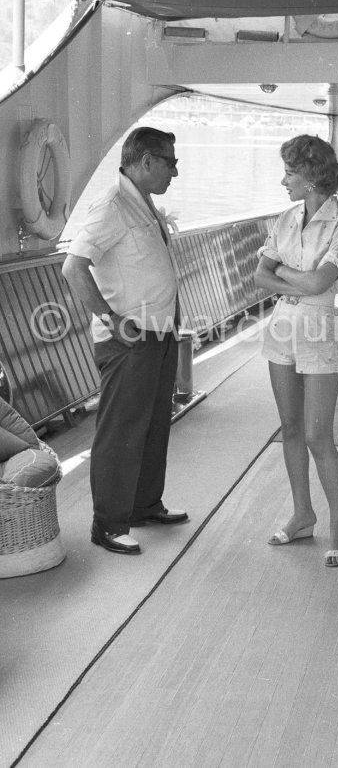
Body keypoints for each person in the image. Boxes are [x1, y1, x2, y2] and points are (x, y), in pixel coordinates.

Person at [62, 127, 189, 555]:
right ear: (147, 161)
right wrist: (109, 319)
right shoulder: (112, 205)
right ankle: (109, 523)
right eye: (171, 161)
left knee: (154, 423)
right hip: (130, 337)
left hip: (161, 332)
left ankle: (143, 505)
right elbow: (74, 267)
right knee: (122, 430)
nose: (175, 170)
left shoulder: (144, 204)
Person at [254, 134, 338, 567]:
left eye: (290, 172)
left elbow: (320, 285)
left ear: (311, 177)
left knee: (318, 434)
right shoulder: (284, 219)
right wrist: (291, 276)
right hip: (281, 325)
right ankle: (303, 514)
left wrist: (280, 270)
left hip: (318, 326)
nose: (284, 181)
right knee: (290, 427)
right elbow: (260, 277)